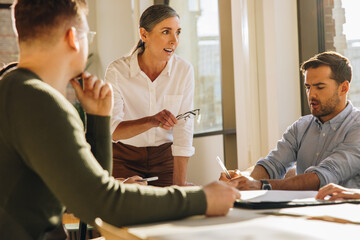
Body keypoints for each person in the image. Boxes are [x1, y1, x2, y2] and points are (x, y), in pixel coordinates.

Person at [0, 0, 240, 239]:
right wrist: (202, 199)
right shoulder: (42, 104)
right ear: (74, 38)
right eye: (88, 35)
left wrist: (99, 118)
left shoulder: (12, 87)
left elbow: (89, 190)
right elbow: (98, 203)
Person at [220, 51, 360, 190]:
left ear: (344, 88)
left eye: (320, 87)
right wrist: (242, 180)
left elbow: (324, 175)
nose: (311, 95)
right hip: (300, 209)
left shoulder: (356, 126)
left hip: (341, 210)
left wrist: (260, 185)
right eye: (308, 87)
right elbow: (273, 164)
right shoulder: (301, 127)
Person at [105, 5, 195, 187]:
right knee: (127, 211)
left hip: (164, 158)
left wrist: (180, 187)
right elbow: (113, 130)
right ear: (144, 35)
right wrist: (151, 121)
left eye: (178, 32)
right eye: (166, 32)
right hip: (123, 158)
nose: (174, 41)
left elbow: (183, 130)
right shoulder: (117, 71)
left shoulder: (184, 70)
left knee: (172, 209)